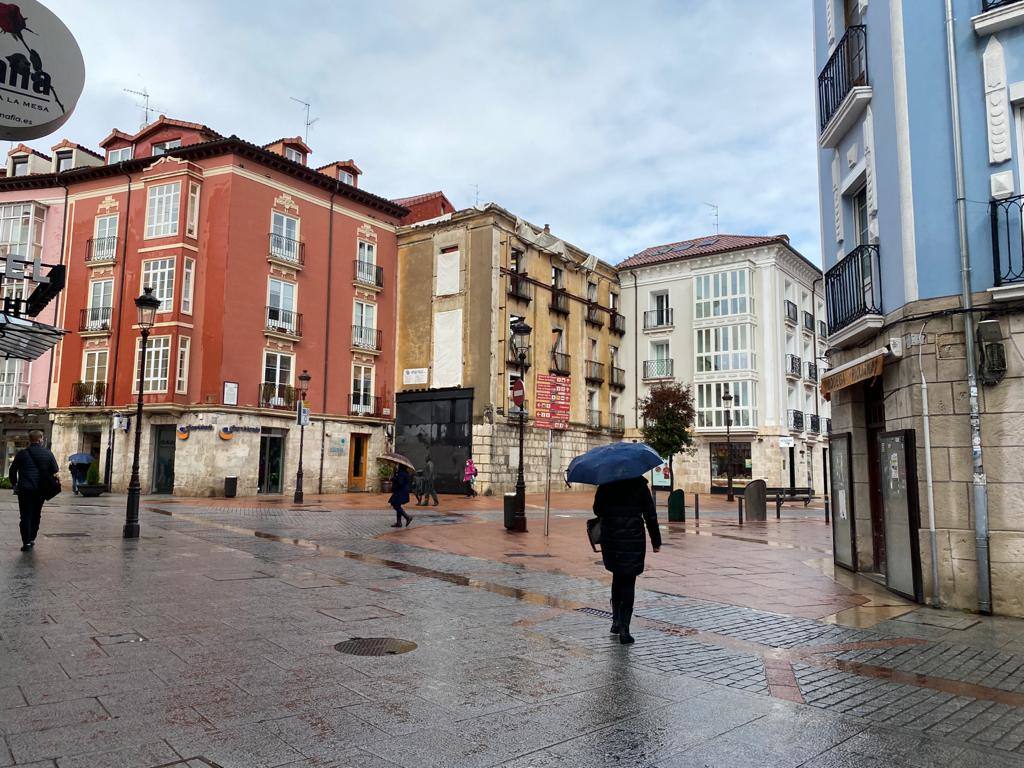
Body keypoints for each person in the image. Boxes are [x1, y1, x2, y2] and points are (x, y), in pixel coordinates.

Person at [593, 475, 661, 645]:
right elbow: (650, 514)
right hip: (633, 538)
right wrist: (656, 540)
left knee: (617, 576)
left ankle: (616, 621)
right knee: (629, 580)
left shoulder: (606, 483)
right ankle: (625, 628)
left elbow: (597, 509)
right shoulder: (639, 484)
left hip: (612, 537)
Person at [9, 430, 60, 552]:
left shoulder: (22, 454)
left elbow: (12, 471)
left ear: (30, 439)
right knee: (36, 514)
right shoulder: (48, 453)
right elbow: (55, 470)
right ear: (40, 439)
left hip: (25, 489)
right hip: (40, 490)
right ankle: (32, 538)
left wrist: (14, 485)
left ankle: (26, 542)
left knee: (25, 515)